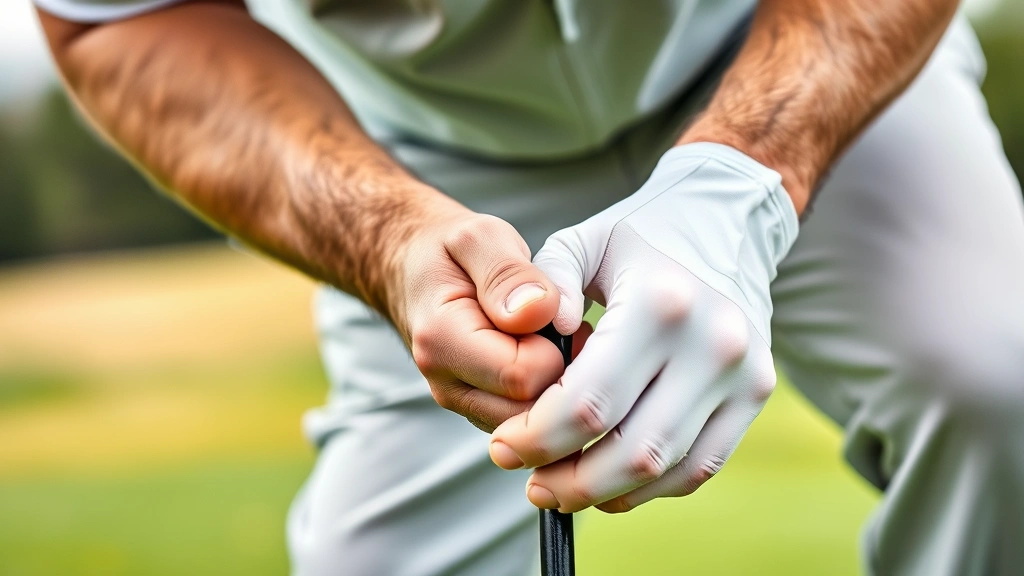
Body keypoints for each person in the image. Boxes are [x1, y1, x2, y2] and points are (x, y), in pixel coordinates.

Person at [36, 0, 1024, 574]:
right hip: (423, 158)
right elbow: (119, 26)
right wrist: (382, 235)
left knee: (1000, 377)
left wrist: (740, 180)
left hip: (792, 52)